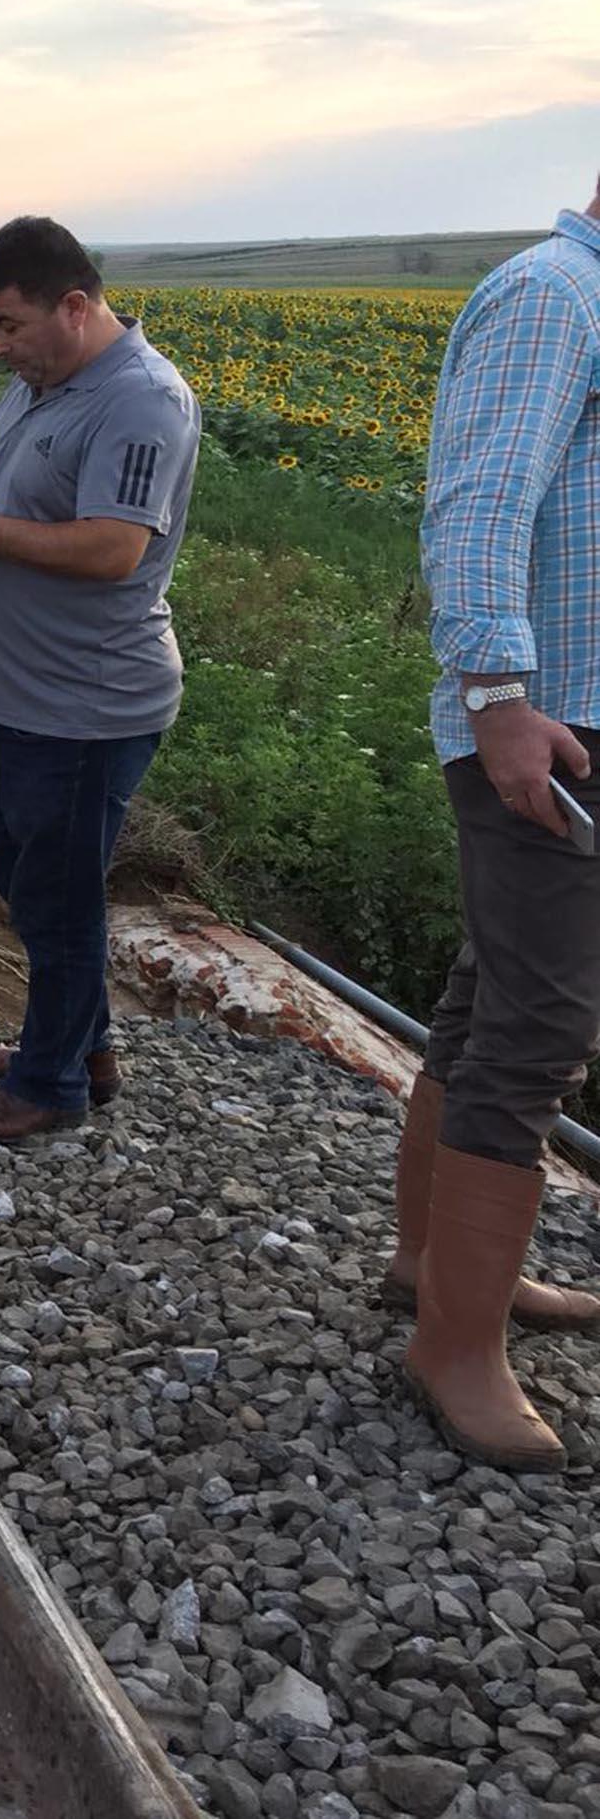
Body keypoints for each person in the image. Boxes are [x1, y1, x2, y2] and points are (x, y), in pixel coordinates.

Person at [0, 217, 200, 1143]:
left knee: (58, 893)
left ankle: (52, 1083)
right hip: (22, 695)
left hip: (87, 701)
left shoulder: (141, 401)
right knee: (15, 862)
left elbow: (111, 546)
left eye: (10, 325)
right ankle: (83, 1040)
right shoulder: (41, 383)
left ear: (75, 304)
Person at [397, 173, 600, 1472]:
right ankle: (454, 1348)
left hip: (563, 712)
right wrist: (499, 695)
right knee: (539, 1031)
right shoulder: (553, 297)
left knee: (485, 1004)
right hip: (548, 723)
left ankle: (432, 1267)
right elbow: (478, 500)